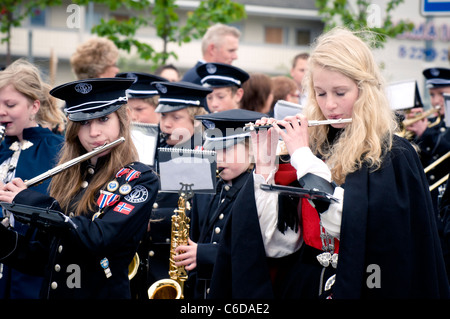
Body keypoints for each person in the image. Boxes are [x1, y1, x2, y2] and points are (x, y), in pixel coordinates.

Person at [210, 27, 449, 299]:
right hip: (305, 284)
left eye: (340, 92)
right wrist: (265, 167)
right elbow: (279, 245)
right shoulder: (313, 145)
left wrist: (302, 157)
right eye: (321, 94)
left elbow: (357, 230)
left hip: (368, 285)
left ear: (365, 90)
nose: (330, 105)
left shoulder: (393, 153)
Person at [0, 77, 159, 299]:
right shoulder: (68, 177)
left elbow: (99, 238)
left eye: (103, 119)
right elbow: (46, 259)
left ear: (121, 120)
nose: (93, 132)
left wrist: (29, 201)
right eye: (84, 122)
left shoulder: (139, 179)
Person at [173, 109, 265, 299]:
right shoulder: (209, 187)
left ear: (253, 149)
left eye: (228, 149)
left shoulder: (258, 191)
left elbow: (256, 253)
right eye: (214, 150)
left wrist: (203, 254)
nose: (219, 158)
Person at [0, 59, 65, 299]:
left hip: (31, 272)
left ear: (34, 106)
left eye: (10, 104)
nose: (1, 111)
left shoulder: (58, 150)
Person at [146, 81, 212, 293]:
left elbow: (199, 214)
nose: (166, 124)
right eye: (163, 116)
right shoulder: (157, 147)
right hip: (151, 259)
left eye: (176, 118)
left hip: (181, 262)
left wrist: (151, 222)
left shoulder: (204, 155)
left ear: (196, 120)